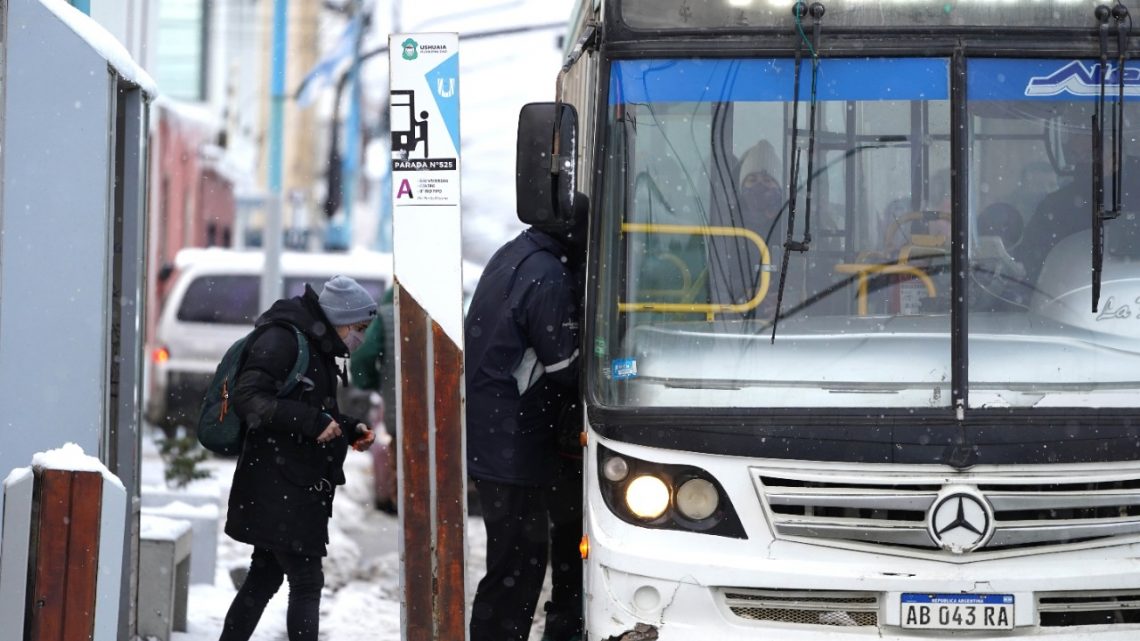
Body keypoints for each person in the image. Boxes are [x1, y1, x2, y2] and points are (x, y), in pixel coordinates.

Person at [218, 275, 377, 641]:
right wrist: (311, 422)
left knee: (264, 577)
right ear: (341, 320)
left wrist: (347, 428)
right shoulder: (283, 340)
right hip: (278, 481)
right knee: (306, 581)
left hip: (292, 481)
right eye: (360, 328)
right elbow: (248, 398)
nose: (362, 337)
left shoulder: (317, 346)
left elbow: (311, 408)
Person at [465, 213, 587, 641]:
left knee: (511, 561)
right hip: (516, 441)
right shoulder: (550, 275)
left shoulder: (514, 255)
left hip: (494, 435)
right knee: (520, 563)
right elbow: (565, 367)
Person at [349, 287, 397, 513]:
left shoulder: (387, 315)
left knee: (406, 471)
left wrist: (377, 383)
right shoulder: (451, 315)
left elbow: (363, 355)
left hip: (401, 414)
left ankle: (398, 506)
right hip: (449, 416)